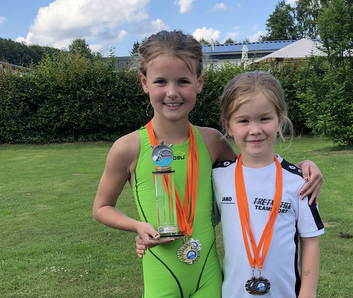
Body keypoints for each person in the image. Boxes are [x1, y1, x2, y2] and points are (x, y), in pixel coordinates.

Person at [93, 30, 323, 298]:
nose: (171, 92)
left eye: (182, 81)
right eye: (160, 81)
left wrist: (303, 167)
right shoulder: (128, 147)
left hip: (210, 280)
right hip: (161, 273)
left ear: (199, 82)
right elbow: (101, 207)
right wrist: (137, 227)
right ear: (144, 82)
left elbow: (252, 173)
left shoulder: (212, 141)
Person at [214, 71, 324, 297]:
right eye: (243, 121)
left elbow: (310, 241)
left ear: (279, 121)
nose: (255, 130)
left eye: (264, 118)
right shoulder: (217, 177)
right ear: (228, 126)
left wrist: (308, 293)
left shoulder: (299, 181)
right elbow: (196, 225)